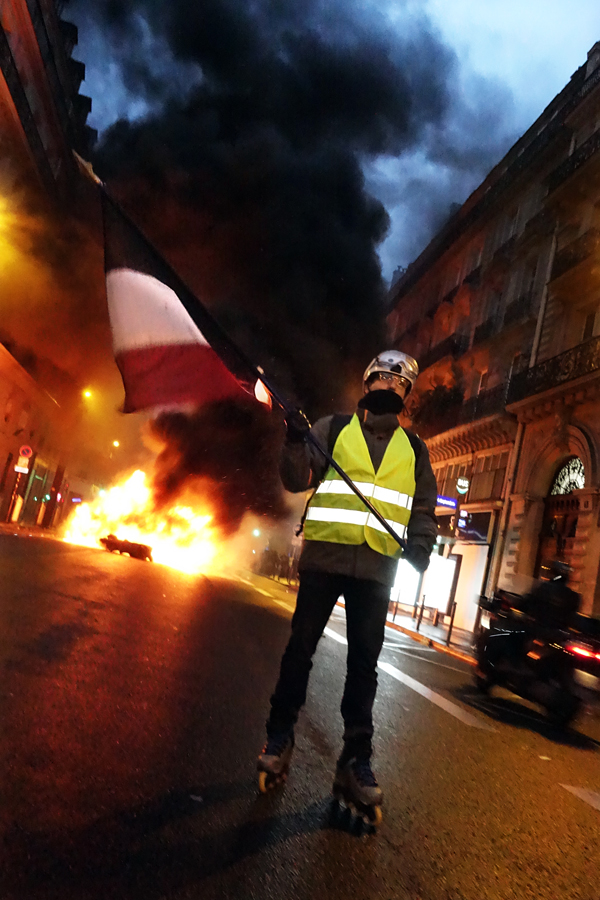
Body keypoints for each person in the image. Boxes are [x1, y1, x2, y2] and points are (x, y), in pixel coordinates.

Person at [257, 350, 438, 817]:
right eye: (382, 380)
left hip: (377, 571)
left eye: (398, 385)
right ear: (368, 384)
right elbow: (297, 479)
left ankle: (356, 758)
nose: (389, 389)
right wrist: (296, 441)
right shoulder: (332, 430)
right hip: (324, 560)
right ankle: (280, 734)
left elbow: (422, 510)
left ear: (406, 396)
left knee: (364, 667)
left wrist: (421, 544)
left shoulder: (415, 452)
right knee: (300, 649)